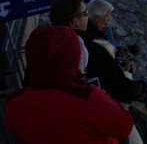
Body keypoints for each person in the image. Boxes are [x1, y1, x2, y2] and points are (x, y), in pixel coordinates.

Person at [4, 25, 133, 144]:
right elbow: (123, 127)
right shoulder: (87, 97)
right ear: (72, 58)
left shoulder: (12, 104)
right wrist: (108, 99)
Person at [83, 0, 147, 103]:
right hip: (108, 97)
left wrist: (121, 64)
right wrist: (144, 87)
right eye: (107, 16)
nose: (108, 19)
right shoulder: (94, 43)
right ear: (97, 18)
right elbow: (119, 85)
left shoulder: (91, 35)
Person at [49, 0, 90, 73]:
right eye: (85, 13)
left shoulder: (47, 38)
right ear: (75, 21)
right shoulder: (76, 44)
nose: (88, 16)